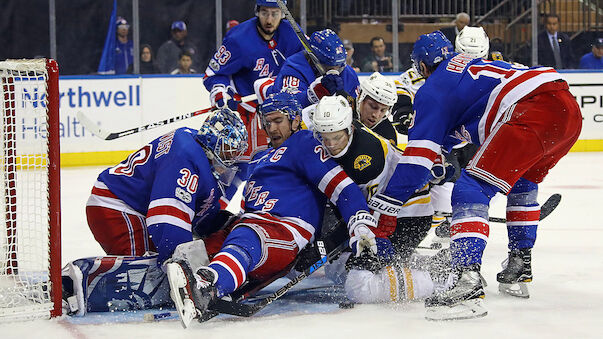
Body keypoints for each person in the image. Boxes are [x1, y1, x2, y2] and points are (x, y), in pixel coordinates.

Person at [385, 30, 581, 320]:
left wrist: (386, 205)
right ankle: (520, 262)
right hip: (566, 109)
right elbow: (451, 136)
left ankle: (467, 278)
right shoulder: (469, 71)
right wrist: (438, 160)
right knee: (522, 183)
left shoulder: (434, 87)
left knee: (470, 189)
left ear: (423, 66)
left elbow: (416, 161)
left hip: (530, 111)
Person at [165, 92, 379, 328]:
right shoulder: (259, 157)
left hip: (284, 229)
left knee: (246, 239)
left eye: (278, 120)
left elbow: (343, 188)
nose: (271, 127)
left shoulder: (305, 143)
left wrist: (359, 223)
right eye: (267, 122)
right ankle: (176, 279)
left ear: (295, 120)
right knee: (197, 249)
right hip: (250, 223)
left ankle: (209, 285)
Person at [62, 108, 248, 315]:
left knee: (158, 270)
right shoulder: (186, 155)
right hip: (116, 207)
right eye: (227, 151)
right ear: (212, 141)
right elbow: (167, 217)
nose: (231, 159)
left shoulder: (195, 148)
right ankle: (72, 285)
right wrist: (185, 267)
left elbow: (193, 212)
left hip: (130, 208)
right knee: (145, 277)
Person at [203, 0, 303, 162]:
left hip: (283, 113)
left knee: (287, 161)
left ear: (283, 14)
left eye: (275, 13)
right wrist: (221, 93)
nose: (269, 20)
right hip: (248, 113)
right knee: (245, 165)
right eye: (264, 13)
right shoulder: (238, 39)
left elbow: (307, 63)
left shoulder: (292, 33)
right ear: (257, 11)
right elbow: (213, 74)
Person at [260, 29, 360, 109]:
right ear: (314, 59)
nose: (335, 71)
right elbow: (288, 106)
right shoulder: (294, 68)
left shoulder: (348, 73)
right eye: (329, 67)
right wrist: (314, 94)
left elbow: (356, 107)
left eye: (339, 67)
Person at [353, 72, 398, 144]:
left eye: (383, 110)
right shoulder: (342, 115)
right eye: (373, 107)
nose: (376, 115)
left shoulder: (387, 133)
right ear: (360, 97)